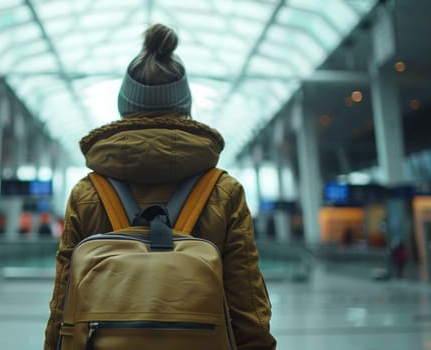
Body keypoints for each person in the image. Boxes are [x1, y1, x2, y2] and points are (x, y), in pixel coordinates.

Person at [44, 23, 277, 350]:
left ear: (125, 108)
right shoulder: (224, 191)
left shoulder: (87, 193)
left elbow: (63, 302)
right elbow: (247, 307)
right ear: (185, 108)